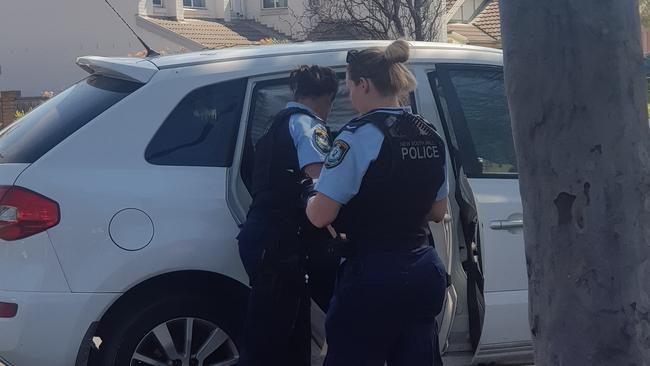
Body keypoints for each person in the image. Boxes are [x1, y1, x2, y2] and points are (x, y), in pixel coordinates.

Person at [306, 40, 449, 366]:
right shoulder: (428, 133)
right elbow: (438, 212)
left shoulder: (356, 136)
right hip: (423, 274)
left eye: (350, 87)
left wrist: (308, 197)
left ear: (364, 84)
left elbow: (320, 216)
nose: (350, 96)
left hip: (373, 277)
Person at [237, 65, 339, 366]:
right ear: (328, 98)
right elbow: (321, 185)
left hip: (264, 239)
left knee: (287, 338)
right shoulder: (310, 127)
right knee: (269, 345)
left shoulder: (277, 124)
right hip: (280, 247)